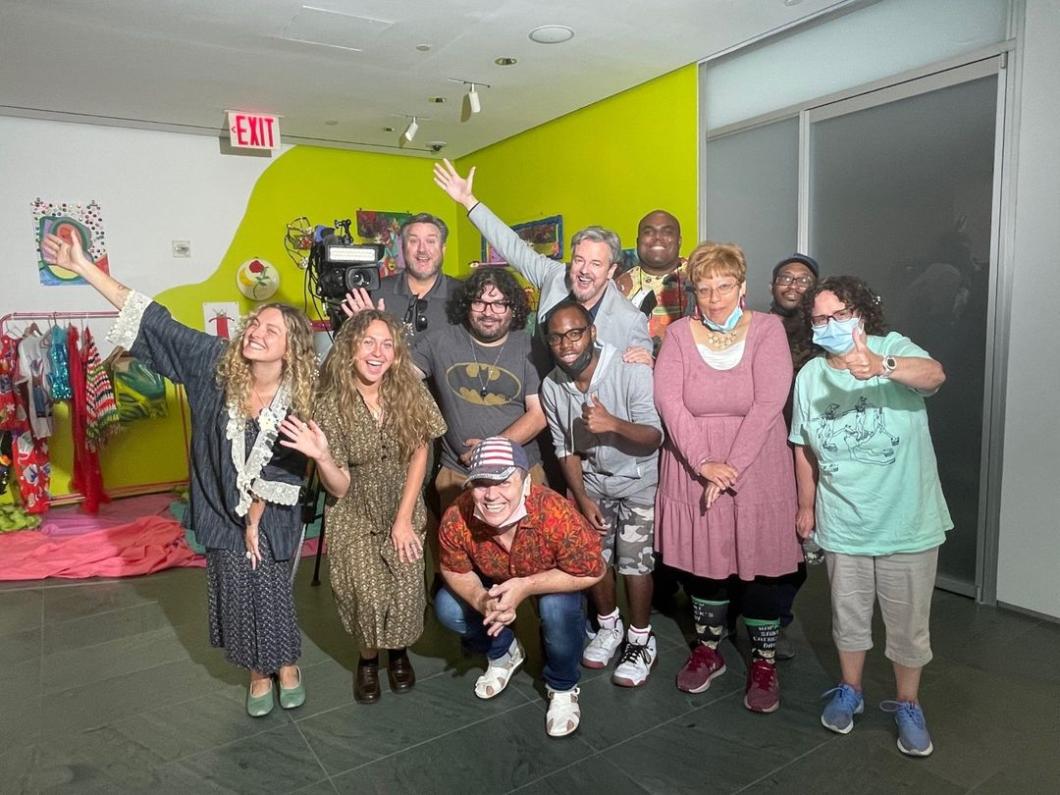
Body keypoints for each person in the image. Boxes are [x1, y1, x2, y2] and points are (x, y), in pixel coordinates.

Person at [41, 232, 317, 718]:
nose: (255, 332)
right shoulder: (214, 362)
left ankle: (288, 664)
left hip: (273, 508)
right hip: (217, 505)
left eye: (270, 331)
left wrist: (256, 514)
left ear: (290, 351)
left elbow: (290, 464)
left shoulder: (300, 396)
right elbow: (153, 321)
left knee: (270, 589)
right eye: (255, 324)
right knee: (236, 591)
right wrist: (83, 267)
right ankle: (257, 672)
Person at [789, 275, 949, 757]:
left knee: (907, 625)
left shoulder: (890, 347)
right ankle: (851, 690)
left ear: (861, 313)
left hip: (907, 519)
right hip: (844, 520)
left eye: (839, 314)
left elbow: (935, 375)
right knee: (849, 617)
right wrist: (805, 504)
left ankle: (906, 703)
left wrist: (881, 366)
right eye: (820, 318)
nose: (830, 325)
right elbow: (803, 447)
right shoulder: (810, 376)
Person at [653, 241, 800, 714]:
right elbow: (670, 404)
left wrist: (730, 465)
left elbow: (768, 404)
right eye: (705, 288)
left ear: (743, 287)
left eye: (724, 286)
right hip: (693, 467)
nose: (714, 297)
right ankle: (709, 650)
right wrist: (703, 464)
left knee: (761, 568)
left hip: (758, 467)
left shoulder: (768, 330)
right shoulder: (676, 335)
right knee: (705, 565)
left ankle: (763, 661)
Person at [280, 310, 446, 704]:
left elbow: (422, 448)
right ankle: (369, 660)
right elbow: (339, 484)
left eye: (387, 343)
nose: (378, 352)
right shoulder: (330, 401)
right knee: (366, 597)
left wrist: (404, 519)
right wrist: (321, 457)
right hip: (353, 508)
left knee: (405, 592)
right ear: (350, 346)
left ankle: (399, 654)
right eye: (368, 341)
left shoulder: (408, 386)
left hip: (402, 499)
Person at [435, 437, 605, 737]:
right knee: (448, 607)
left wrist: (526, 587)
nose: (491, 496)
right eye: (481, 484)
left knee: (558, 609)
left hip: (548, 579)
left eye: (504, 482)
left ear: (525, 483)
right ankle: (503, 652)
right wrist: (480, 599)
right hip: (493, 580)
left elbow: (593, 569)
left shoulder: (554, 512)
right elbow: (453, 568)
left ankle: (563, 686)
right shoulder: (456, 517)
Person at [540, 300, 663, 686]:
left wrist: (612, 424)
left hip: (639, 480)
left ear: (592, 332)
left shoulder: (629, 368)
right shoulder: (552, 386)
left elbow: (654, 437)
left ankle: (641, 638)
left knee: (634, 561)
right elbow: (565, 448)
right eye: (557, 337)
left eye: (575, 333)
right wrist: (581, 496)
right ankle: (609, 626)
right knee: (593, 556)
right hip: (594, 481)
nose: (567, 344)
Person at [433, 159, 652, 362]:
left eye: (596, 264)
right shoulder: (554, 275)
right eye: (579, 260)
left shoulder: (630, 320)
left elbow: (642, 379)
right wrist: (468, 200)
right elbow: (512, 247)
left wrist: (647, 362)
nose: (584, 270)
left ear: (611, 270)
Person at [411, 268, 547, 514]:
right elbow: (397, 378)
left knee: (526, 551)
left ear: (513, 308)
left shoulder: (528, 346)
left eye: (498, 304)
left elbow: (538, 415)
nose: (488, 312)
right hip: (458, 475)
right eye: (480, 303)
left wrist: (488, 449)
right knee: (457, 551)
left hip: (520, 472)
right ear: (467, 305)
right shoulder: (440, 342)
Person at [341, 213, 460, 341]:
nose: (422, 249)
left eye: (430, 241)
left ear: (443, 249)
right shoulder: (375, 293)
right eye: (413, 241)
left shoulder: (463, 295)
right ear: (403, 248)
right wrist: (361, 328)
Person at [614, 209, 690, 356]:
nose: (657, 238)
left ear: (679, 241)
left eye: (667, 232)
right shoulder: (620, 287)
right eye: (649, 232)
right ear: (637, 242)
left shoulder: (699, 277)